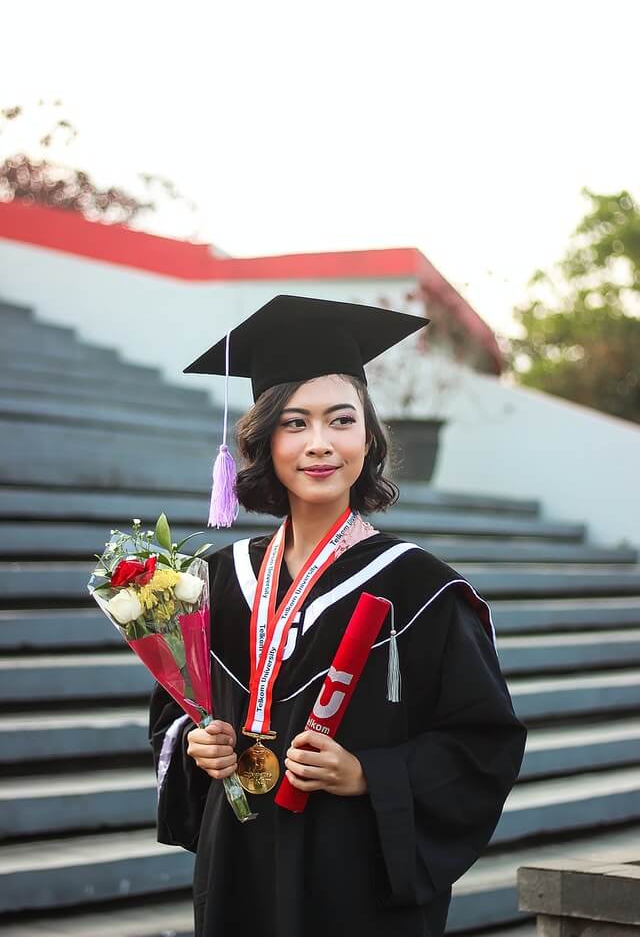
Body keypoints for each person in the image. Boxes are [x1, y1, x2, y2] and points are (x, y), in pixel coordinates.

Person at [148, 294, 527, 937]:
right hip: (240, 870)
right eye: (294, 423)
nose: (319, 444)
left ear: (369, 436)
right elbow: (169, 717)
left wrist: (367, 774)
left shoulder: (423, 588)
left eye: (341, 419)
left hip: (357, 883)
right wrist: (195, 746)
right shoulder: (214, 580)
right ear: (264, 440)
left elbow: (483, 745)